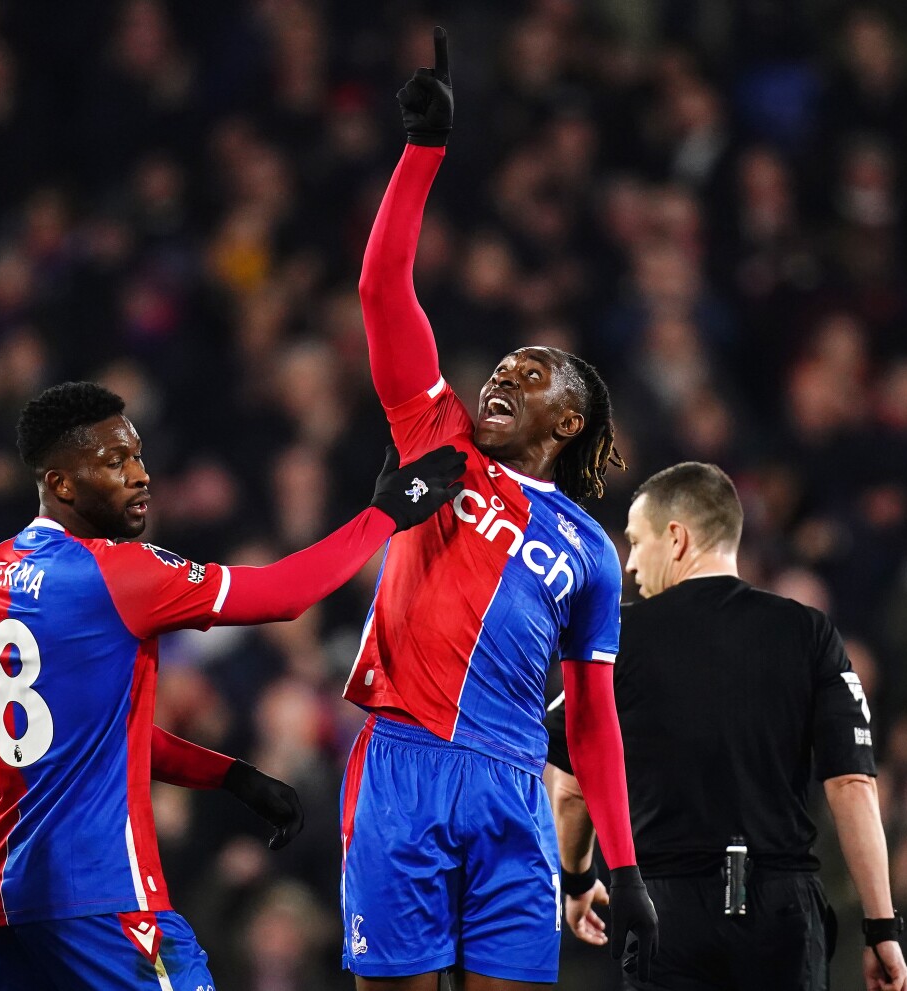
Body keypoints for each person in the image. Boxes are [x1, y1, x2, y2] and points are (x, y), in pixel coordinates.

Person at [0, 381, 466, 990]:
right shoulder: (115, 573)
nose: (140, 475)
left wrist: (230, 775)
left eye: (139, 455)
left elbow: (90, 739)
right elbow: (282, 595)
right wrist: (387, 511)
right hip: (102, 891)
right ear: (61, 484)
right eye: (115, 461)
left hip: (2, 894)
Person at [339, 27, 658, 990]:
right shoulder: (437, 441)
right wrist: (421, 155)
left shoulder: (593, 551)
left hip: (517, 790)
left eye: (535, 373)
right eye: (504, 363)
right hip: (405, 763)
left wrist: (623, 864)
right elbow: (380, 286)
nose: (505, 375)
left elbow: (594, 720)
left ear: (570, 421)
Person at [545, 462, 907, 991]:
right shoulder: (809, 633)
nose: (631, 566)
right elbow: (853, 785)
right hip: (782, 912)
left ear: (676, 538)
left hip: (665, 913)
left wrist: (579, 880)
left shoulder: (618, 640)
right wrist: (882, 927)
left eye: (637, 542)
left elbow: (571, 790)